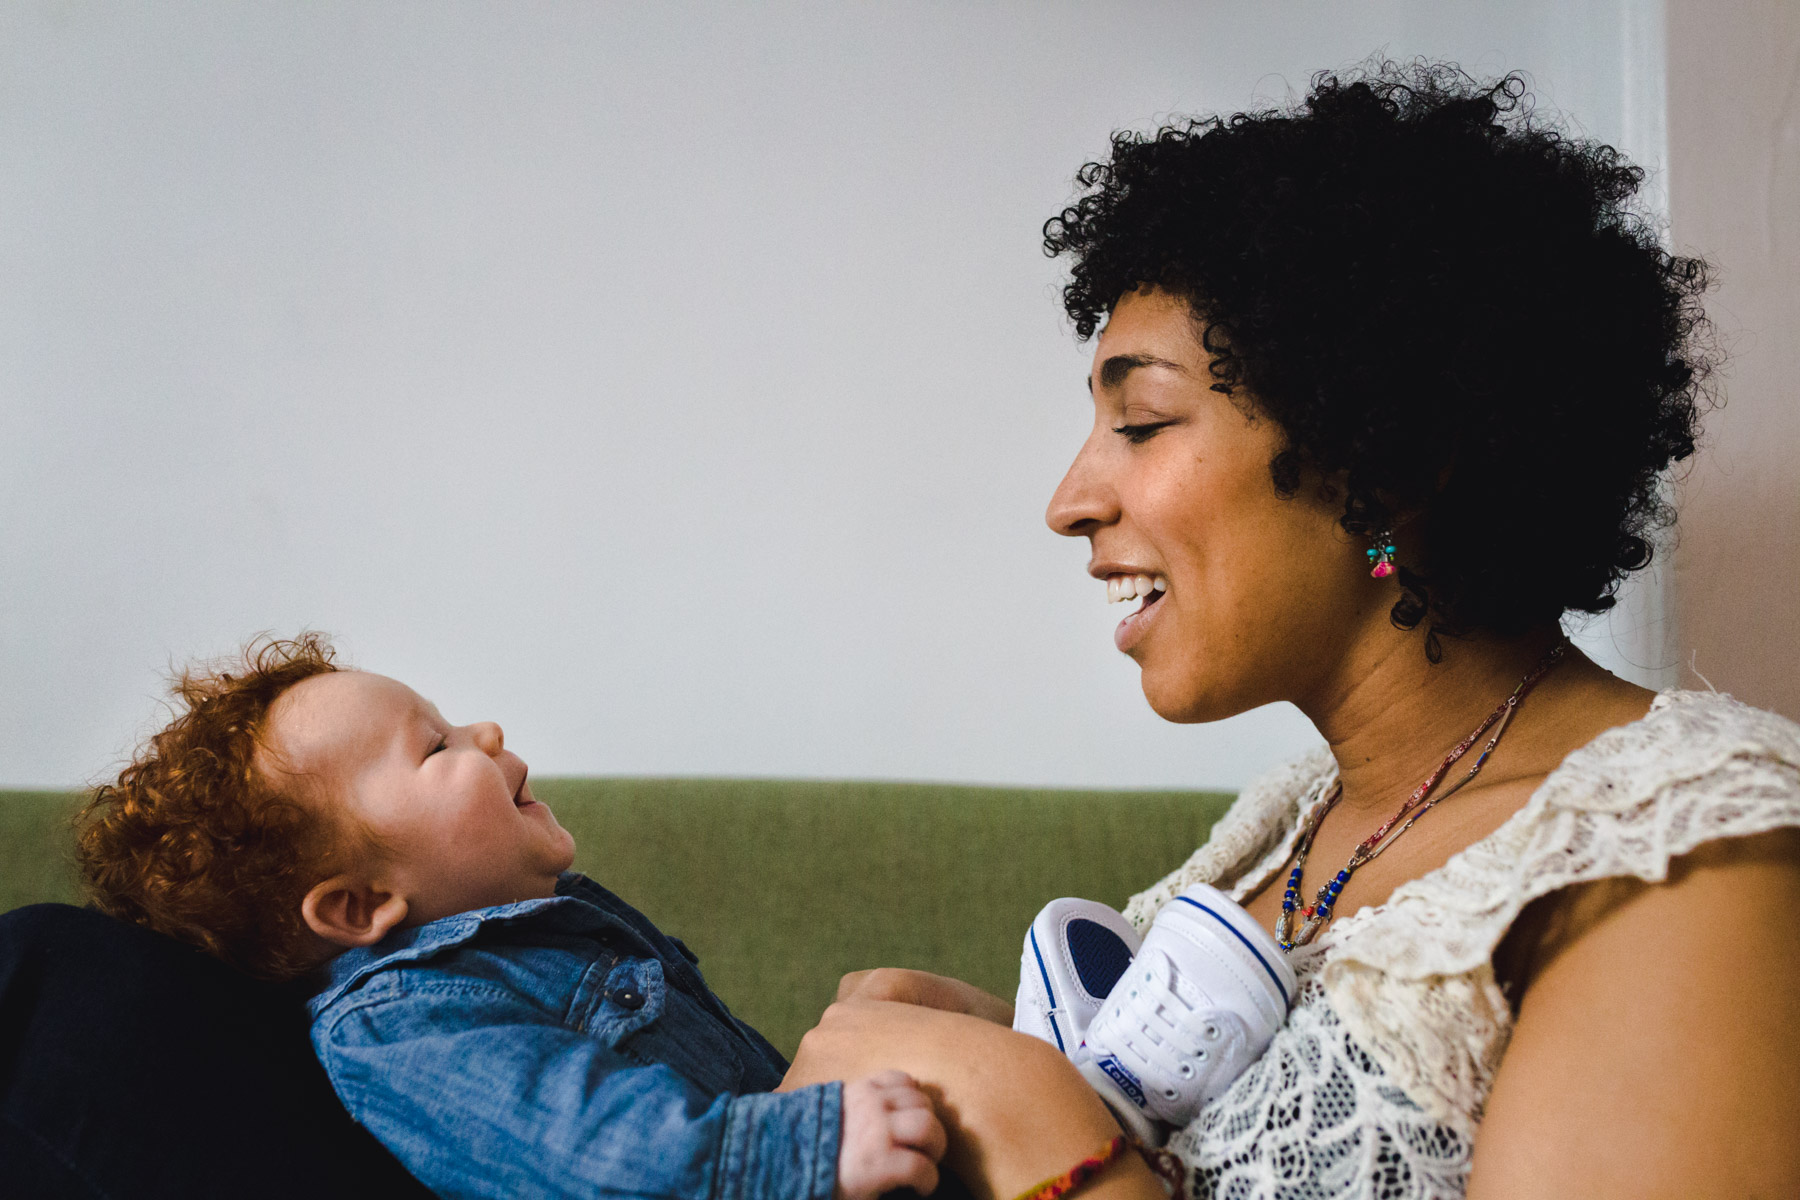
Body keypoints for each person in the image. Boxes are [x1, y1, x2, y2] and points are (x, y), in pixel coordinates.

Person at [778, 62, 1800, 1200]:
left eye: (1145, 420)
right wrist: (985, 1073)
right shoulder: (1277, 832)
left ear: (1388, 462)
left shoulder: (1685, 847)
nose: (1070, 500)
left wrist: (1045, 1142)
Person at [74, 634, 947, 1200]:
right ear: (361, 904)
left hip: (813, 1152)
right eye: (436, 746)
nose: (484, 731)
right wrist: (803, 1150)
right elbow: (584, 1149)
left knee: (894, 998)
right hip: (773, 1167)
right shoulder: (400, 1026)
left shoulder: (532, 934)